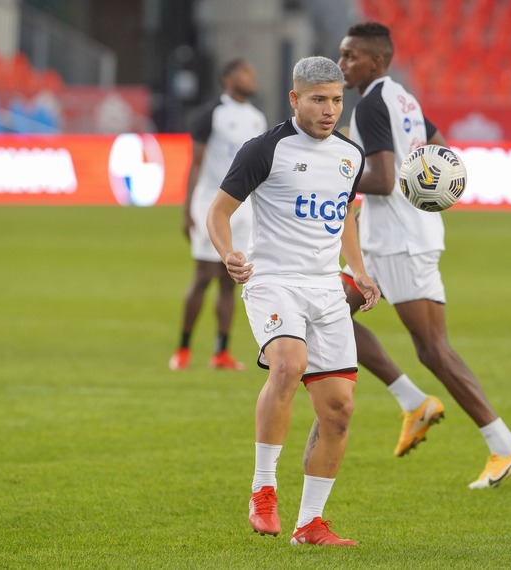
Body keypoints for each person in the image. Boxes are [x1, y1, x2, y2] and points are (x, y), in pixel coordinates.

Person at [337, 22, 511, 489]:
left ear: (376, 61)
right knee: (323, 313)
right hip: (391, 237)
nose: (342, 64)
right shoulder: (403, 98)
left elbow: (382, 180)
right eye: (342, 56)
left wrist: (335, 176)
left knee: (435, 351)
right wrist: (421, 195)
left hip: (403, 243)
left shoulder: (370, 106)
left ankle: (504, 446)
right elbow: (441, 150)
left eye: (350, 56)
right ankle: (412, 401)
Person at [208, 56, 380, 546]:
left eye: (336, 100)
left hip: (326, 287)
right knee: (288, 363)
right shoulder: (266, 149)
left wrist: (360, 272)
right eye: (318, 99)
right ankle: (264, 489)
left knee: (339, 410)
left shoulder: (350, 155)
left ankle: (310, 524)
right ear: (295, 99)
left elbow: (344, 216)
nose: (329, 110)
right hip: (273, 280)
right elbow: (218, 213)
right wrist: (229, 256)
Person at [169, 59, 268, 372]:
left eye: (252, 72)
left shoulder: (257, 118)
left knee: (231, 280)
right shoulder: (212, 114)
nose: (252, 77)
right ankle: (183, 348)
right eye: (245, 72)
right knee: (202, 277)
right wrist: (188, 210)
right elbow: (196, 162)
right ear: (227, 79)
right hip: (212, 204)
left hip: (245, 208)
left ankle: (221, 352)